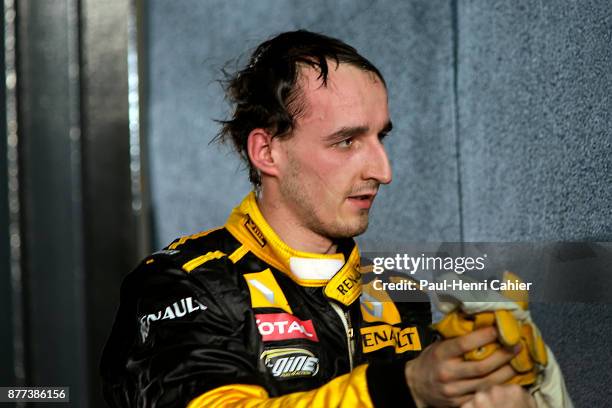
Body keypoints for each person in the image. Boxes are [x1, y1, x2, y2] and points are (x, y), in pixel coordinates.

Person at [101, 30, 545, 407]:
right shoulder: (182, 283)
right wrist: (407, 386)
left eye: (380, 137)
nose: (383, 171)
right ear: (267, 151)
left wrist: (483, 373)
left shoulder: (395, 294)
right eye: (347, 141)